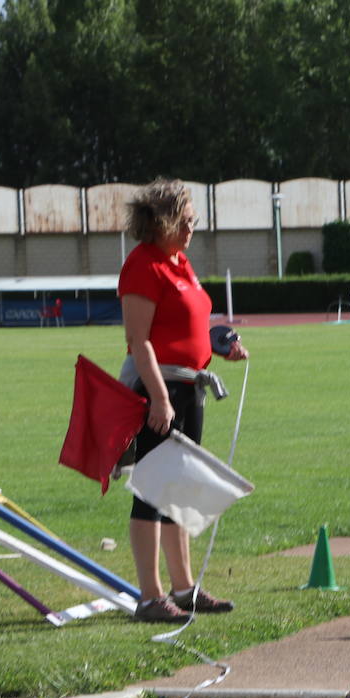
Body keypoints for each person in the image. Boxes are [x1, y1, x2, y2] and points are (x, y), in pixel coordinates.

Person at [120, 179, 247, 623]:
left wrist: (219, 344)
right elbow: (139, 341)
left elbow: (186, 324)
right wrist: (158, 397)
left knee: (179, 490)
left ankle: (184, 588)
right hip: (159, 392)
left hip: (188, 390)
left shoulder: (179, 261)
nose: (193, 228)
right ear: (163, 220)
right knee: (151, 493)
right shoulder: (143, 266)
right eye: (187, 220)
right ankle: (151, 597)